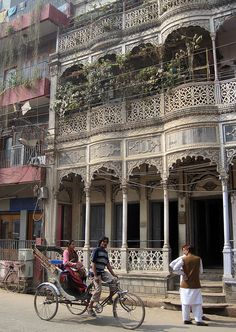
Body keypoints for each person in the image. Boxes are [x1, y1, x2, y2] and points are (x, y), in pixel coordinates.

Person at [171, 244, 208, 326]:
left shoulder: (183, 259)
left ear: (187, 251)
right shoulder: (198, 259)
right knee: (197, 302)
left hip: (185, 284)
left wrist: (183, 274)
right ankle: (198, 320)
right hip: (195, 283)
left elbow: (174, 269)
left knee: (185, 303)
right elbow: (201, 271)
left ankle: (186, 319)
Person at [87, 236, 118, 317]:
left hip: (102, 272)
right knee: (98, 290)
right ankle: (90, 307)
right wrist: (96, 276)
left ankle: (110, 298)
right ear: (100, 242)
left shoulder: (105, 252)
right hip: (94, 273)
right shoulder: (96, 250)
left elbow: (108, 265)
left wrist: (113, 274)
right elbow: (93, 263)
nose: (105, 243)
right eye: (103, 242)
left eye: (106, 242)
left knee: (114, 281)